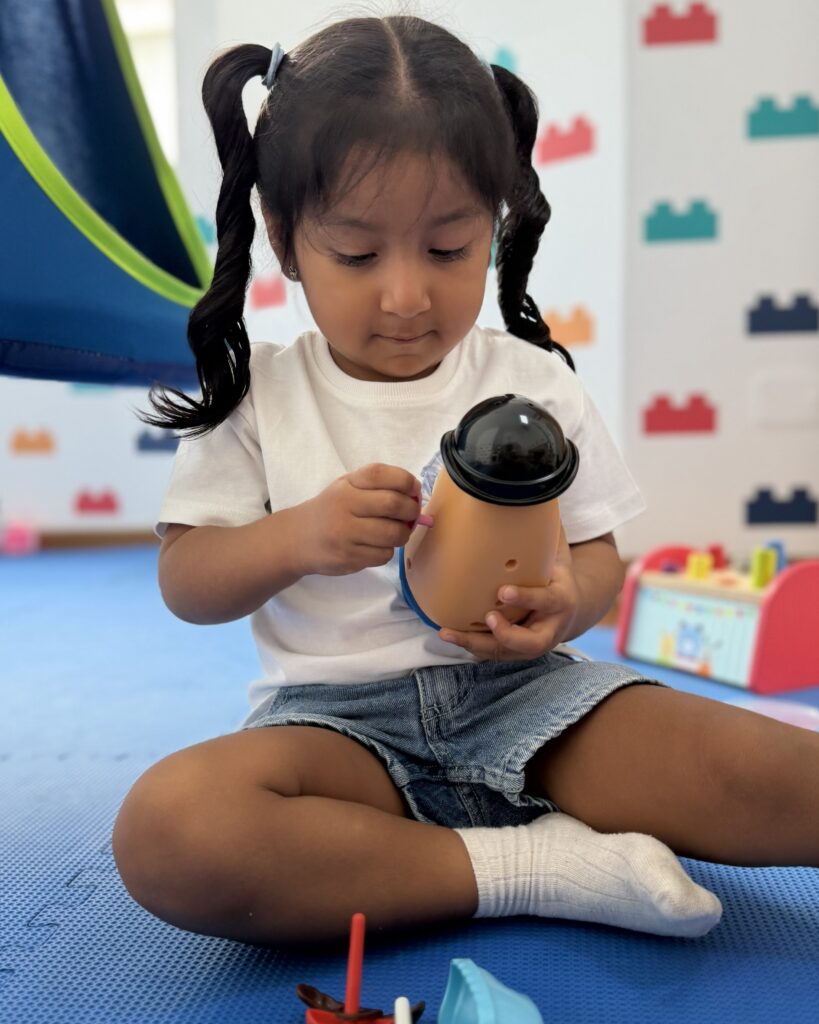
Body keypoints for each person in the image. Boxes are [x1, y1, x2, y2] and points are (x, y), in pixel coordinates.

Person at [112, 15, 819, 947]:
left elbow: (597, 556)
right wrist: (299, 537)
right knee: (172, 832)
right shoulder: (259, 396)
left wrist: (563, 608)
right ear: (284, 239)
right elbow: (186, 582)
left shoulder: (532, 381)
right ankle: (532, 867)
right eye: (357, 255)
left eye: (449, 249)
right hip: (337, 737)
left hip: (532, 706)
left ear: (494, 224)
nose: (407, 296)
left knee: (775, 775)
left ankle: (450, 854)